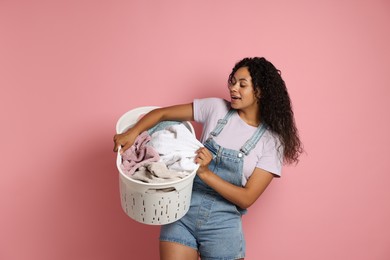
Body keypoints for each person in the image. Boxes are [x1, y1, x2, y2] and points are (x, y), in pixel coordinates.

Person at [113, 57, 303, 260]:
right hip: (181, 211)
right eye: (233, 82)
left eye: (242, 84)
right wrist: (132, 133)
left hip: (223, 226)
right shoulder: (216, 108)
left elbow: (247, 197)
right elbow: (163, 114)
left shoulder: (271, 142)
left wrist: (205, 173)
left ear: (260, 91)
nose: (233, 88)